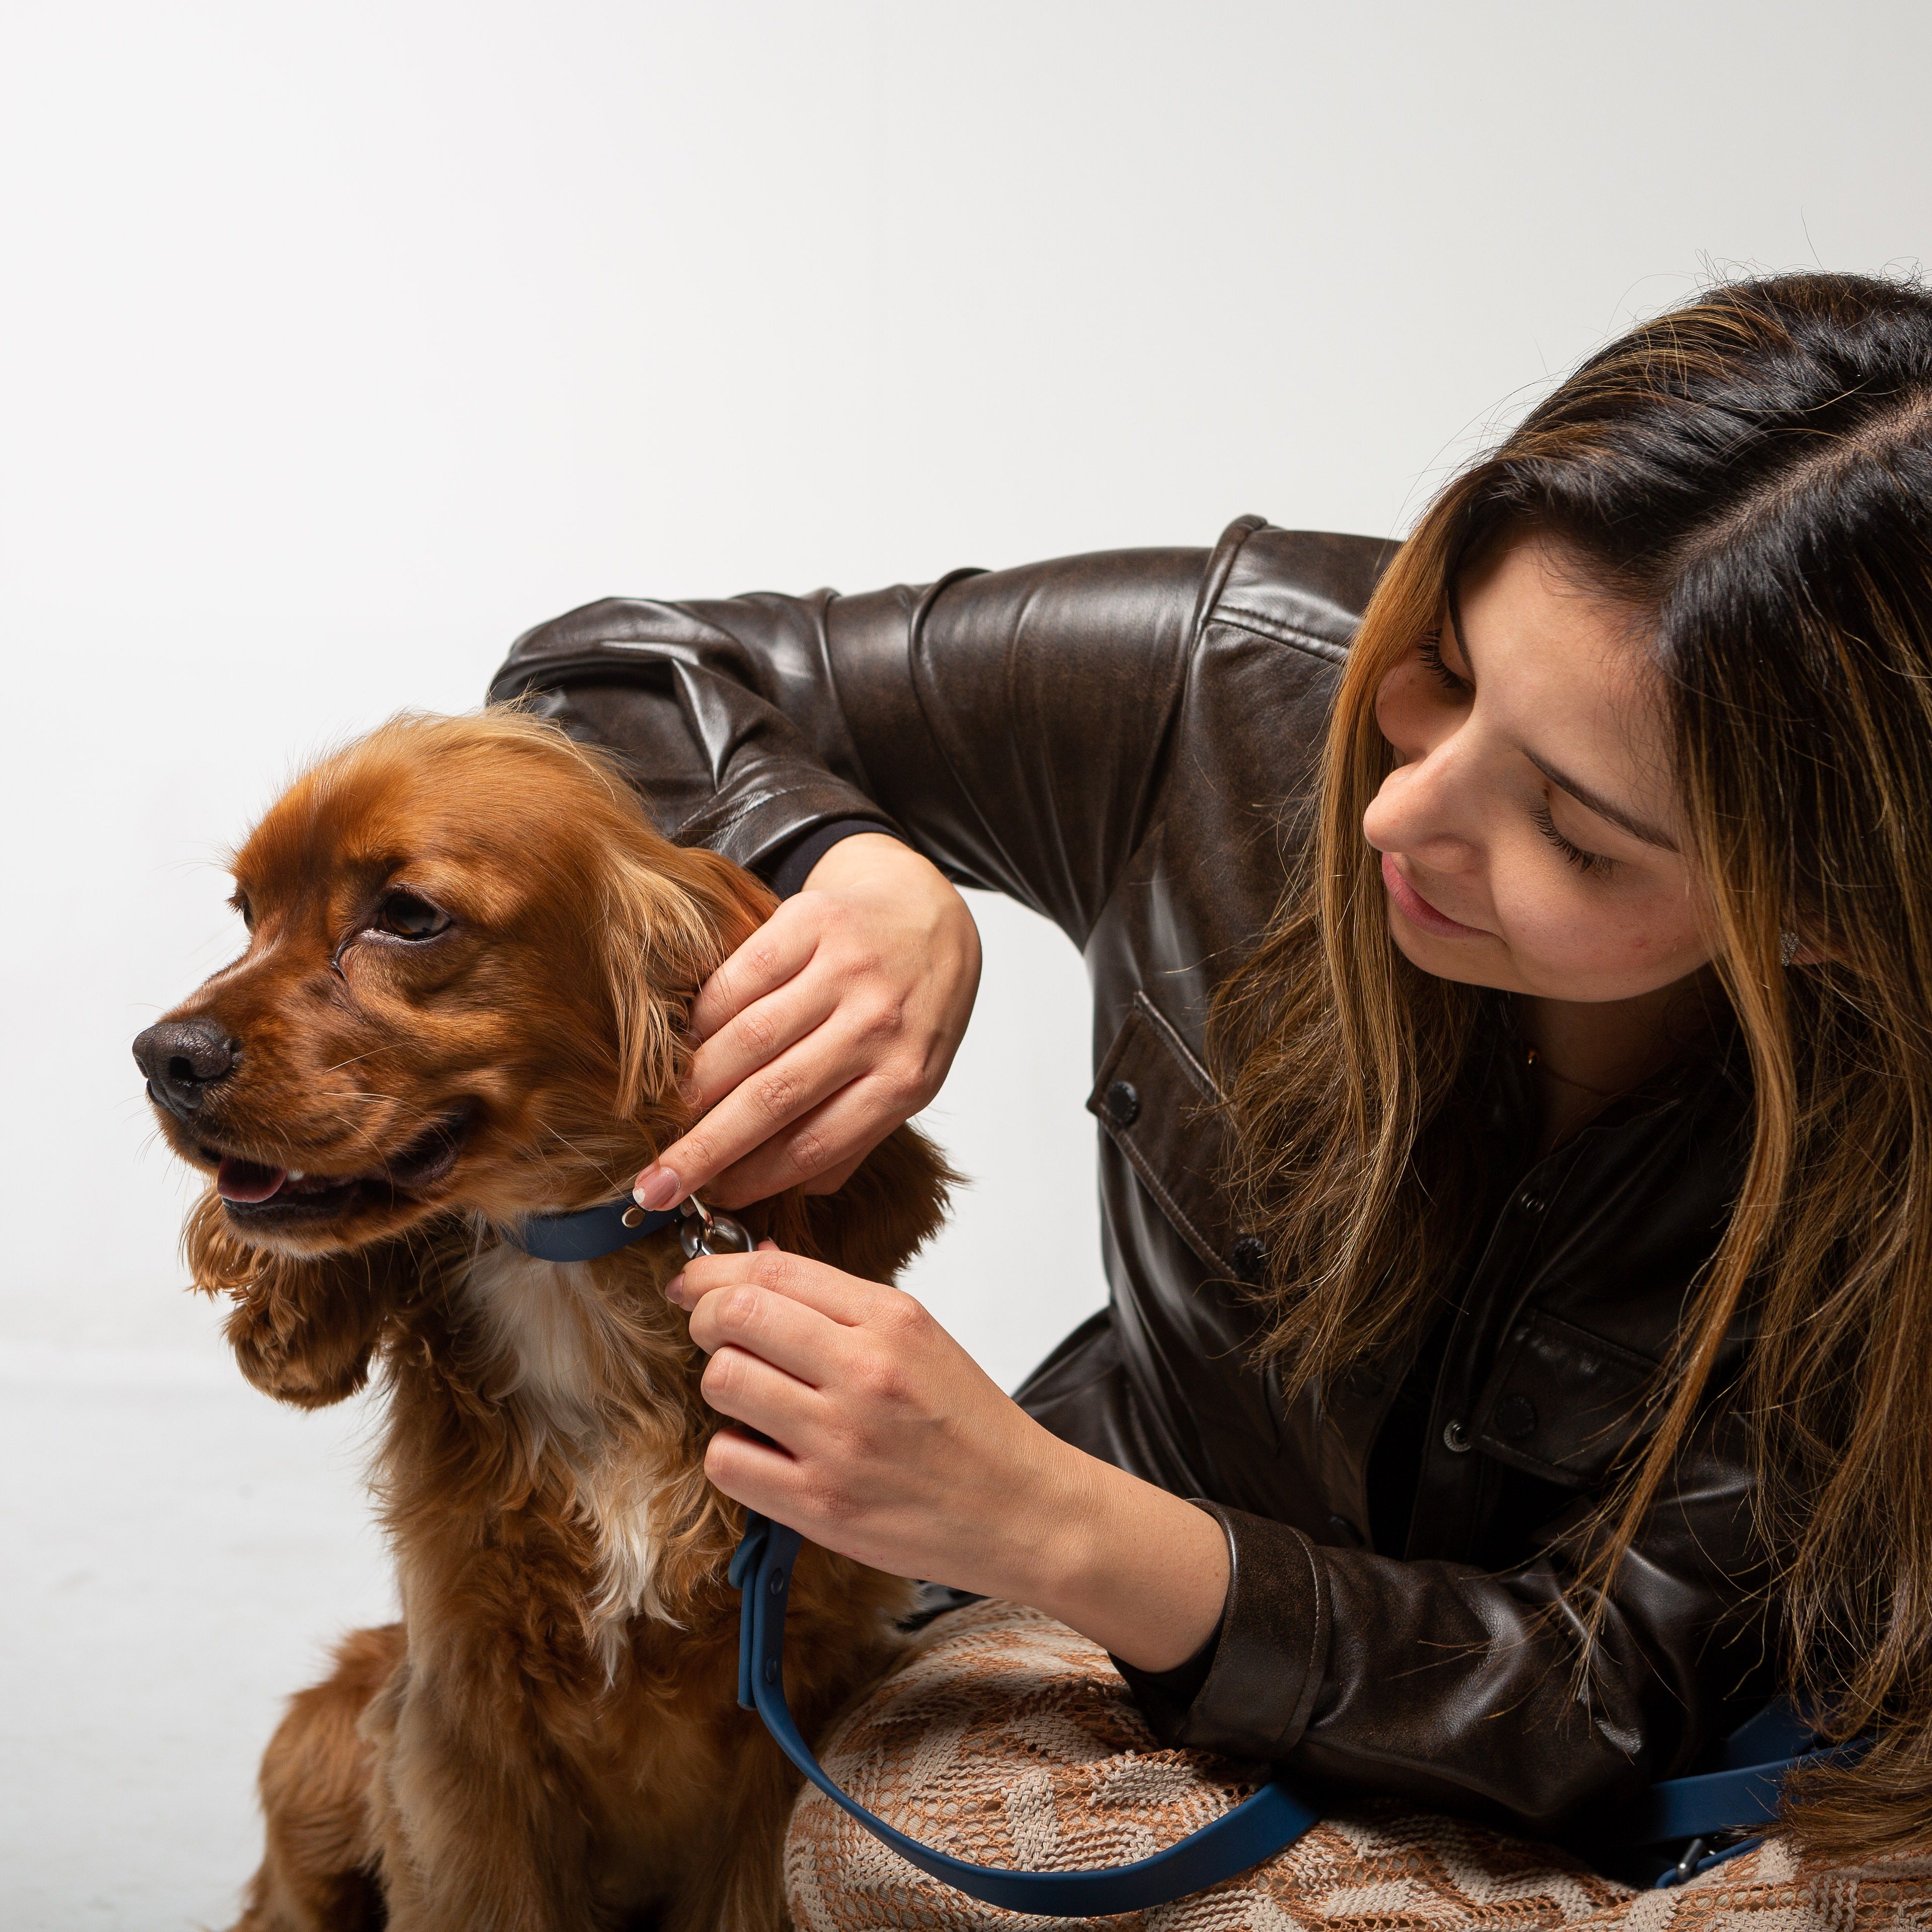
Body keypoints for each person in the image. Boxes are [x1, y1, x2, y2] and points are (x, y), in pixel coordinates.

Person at [490, 272, 1932, 1926]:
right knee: (889, 1855)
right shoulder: (1232, 677)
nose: (1403, 811)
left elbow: (1600, 1699)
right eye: (1446, 669)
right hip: (1130, 1682)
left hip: (1692, 1755)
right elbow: (593, 678)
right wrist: (849, 860)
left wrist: (1050, 1518)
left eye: (1581, 831)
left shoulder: (1894, 1116)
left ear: (1825, 910)